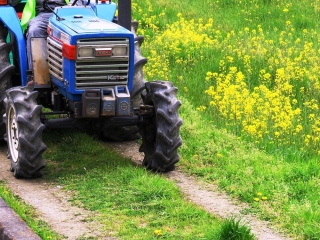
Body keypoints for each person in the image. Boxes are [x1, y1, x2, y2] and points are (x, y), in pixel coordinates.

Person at [10, 0, 75, 70]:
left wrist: (72, 5)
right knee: (34, 30)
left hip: (67, 14)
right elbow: (12, 2)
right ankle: (37, 75)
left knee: (74, 33)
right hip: (43, 14)